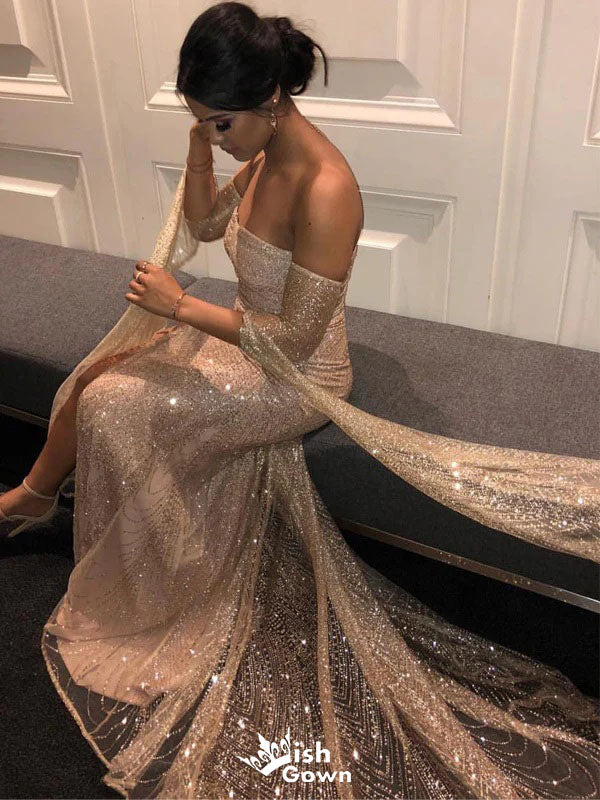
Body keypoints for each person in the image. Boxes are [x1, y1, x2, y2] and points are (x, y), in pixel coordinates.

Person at [2, 3, 599, 797]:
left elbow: (293, 338)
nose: (216, 137)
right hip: (241, 339)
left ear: (271, 98)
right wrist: (199, 149)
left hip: (294, 377)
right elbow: (206, 225)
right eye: (203, 121)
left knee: (118, 403)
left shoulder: (327, 186)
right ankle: (43, 500)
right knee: (101, 377)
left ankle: (158, 584)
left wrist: (182, 307)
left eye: (220, 123)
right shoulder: (260, 148)